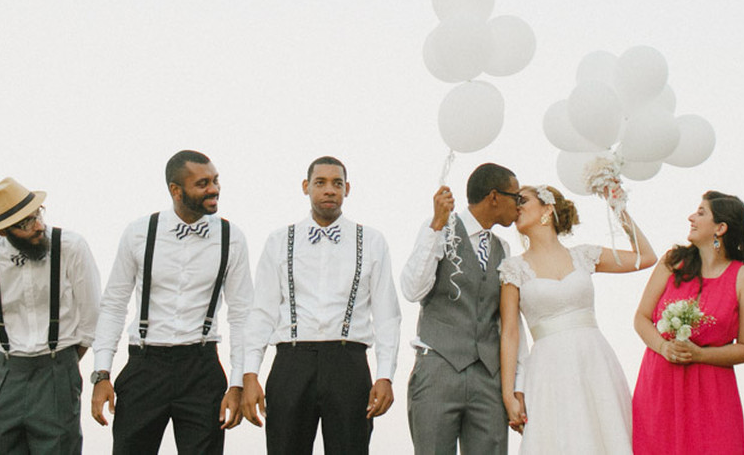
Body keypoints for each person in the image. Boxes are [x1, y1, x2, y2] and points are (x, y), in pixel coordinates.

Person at [90, 150, 254, 454]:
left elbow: (242, 314)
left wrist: (237, 382)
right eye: (202, 184)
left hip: (201, 367)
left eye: (216, 180)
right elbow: (114, 304)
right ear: (175, 190)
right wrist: (102, 374)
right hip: (145, 365)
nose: (214, 189)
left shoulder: (231, 237)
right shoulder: (139, 233)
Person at [241, 156, 402, 454]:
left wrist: (385, 375)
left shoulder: (371, 241)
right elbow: (261, 313)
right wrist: (249, 375)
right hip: (291, 361)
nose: (329, 190)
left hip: (348, 363)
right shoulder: (279, 241)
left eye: (337, 183)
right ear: (306, 186)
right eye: (321, 182)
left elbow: (387, 315)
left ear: (347, 189)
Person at [499, 184, 656, 454]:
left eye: (523, 200)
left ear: (547, 208)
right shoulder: (513, 269)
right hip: (548, 369)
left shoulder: (584, 256)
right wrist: (509, 393)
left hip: (594, 360)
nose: (516, 207)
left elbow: (646, 257)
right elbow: (510, 333)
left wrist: (618, 207)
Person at [400, 162, 524, 455]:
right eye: (516, 197)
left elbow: (510, 324)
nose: (519, 205)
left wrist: (516, 384)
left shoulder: (503, 249)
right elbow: (412, 289)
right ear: (494, 197)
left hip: (489, 377)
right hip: (438, 370)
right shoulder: (440, 228)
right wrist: (436, 226)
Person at [0, 177, 102, 454]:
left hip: (57, 370)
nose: (39, 226)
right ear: (3, 231)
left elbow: (91, 319)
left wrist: (60, 362)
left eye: (37, 214)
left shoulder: (70, 246)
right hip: (7, 371)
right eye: (25, 223)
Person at [631, 191, 744, 454]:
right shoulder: (672, 262)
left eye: (701, 213)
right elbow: (641, 318)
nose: (691, 217)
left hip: (712, 393)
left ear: (720, 228)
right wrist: (664, 347)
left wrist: (699, 354)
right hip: (660, 384)